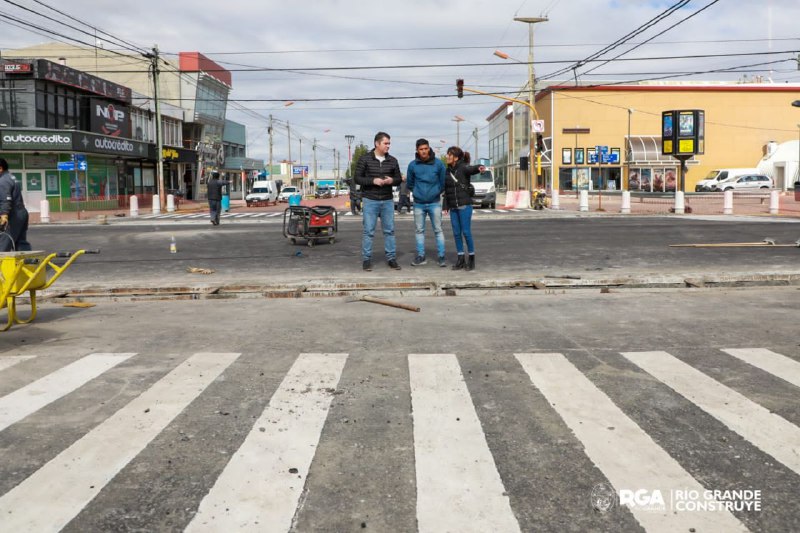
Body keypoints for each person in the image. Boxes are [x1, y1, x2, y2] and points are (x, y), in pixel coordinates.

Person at [354, 131, 403, 271]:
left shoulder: (393, 160)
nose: (388, 146)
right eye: (386, 143)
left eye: (389, 143)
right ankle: (366, 259)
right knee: (368, 231)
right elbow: (357, 178)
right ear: (377, 143)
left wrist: (391, 180)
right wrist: (372, 181)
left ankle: (391, 259)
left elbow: (399, 179)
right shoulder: (365, 159)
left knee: (389, 231)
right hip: (370, 199)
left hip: (387, 200)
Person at [442, 147, 485, 271]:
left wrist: (479, 167)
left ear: (456, 157)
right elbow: (447, 189)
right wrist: (446, 206)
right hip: (454, 208)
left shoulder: (463, 167)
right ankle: (460, 258)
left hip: (465, 206)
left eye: (449, 155)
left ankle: (471, 258)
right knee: (456, 233)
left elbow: (472, 169)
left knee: (466, 232)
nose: (447, 157)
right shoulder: (447, 171)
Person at [406, 138, 446, 267]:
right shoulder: (412, 165)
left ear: (429, 148)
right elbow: (410, 184)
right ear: (417, 150)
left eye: (426, 149)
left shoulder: (438, 164)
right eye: (421, 149)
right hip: (419, 203)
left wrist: (436, 192)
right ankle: (421, 256)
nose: (424, 151)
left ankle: (441, 257)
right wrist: (418, 193)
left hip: (435, 202)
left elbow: (443, 182)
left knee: (438, 230)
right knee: (419, 230)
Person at [0, 158, 31, 252]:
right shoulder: (11, 177)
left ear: (0, 168)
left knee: (4, 242)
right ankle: (27, 264)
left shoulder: (3, 181)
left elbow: (6, 199)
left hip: (13, 215)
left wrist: (4, 215)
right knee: (21, 242)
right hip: (21, 212)